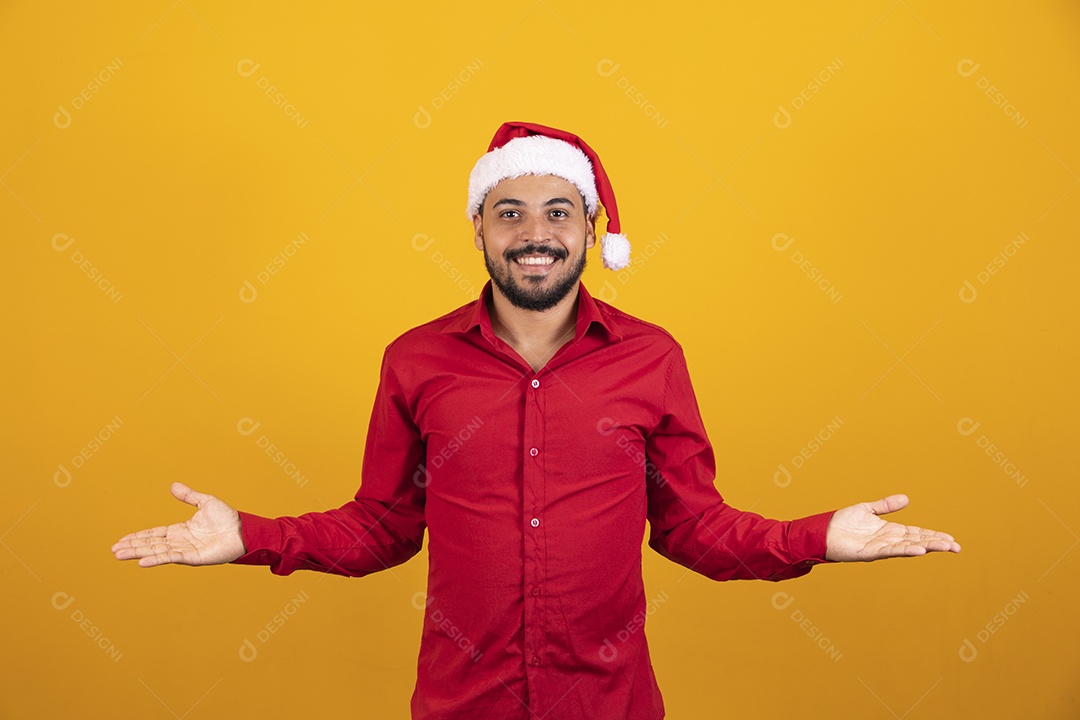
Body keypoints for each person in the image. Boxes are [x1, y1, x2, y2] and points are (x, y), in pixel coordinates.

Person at [112, 122, 961, 720]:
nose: (534, 234)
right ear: (478, 226)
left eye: (558, 211)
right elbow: (381, 527)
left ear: (591, 228)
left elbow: (695, 529)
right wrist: (249, 536)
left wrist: (815, 537)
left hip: (610, 708)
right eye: (509, 212)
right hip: (459, 709)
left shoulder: (650, 359)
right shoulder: (416, 361)